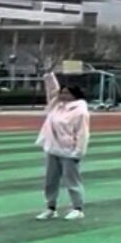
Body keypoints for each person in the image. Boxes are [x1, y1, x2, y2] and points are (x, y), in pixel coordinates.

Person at [34, 69, 90, 221]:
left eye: (66, 93)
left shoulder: (80, 111)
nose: (63, 96)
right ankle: (50, 208)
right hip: (53, 148)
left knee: (72, 181)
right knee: (50, 181)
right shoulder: (56, 105)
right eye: (62, 93)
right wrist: (49, 76)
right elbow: (52, 91)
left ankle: (78, 208)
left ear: (74, 95)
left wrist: (78, 151)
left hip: (69, 150)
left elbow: (82, 133)